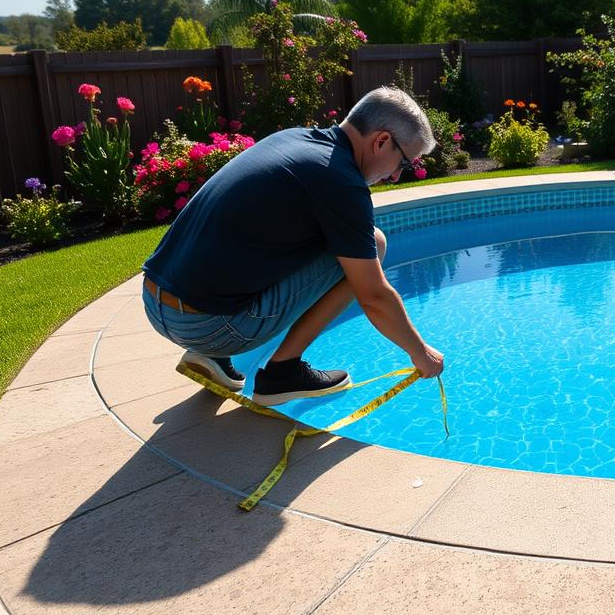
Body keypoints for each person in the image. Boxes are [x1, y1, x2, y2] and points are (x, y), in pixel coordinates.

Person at [141, 86, 445, 405]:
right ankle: (281, 374)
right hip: (205, 325)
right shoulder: (341, 182)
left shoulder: (294, 140)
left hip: (155, 300)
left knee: (344, 242)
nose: (397, 176)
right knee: (373, 244)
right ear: (381, 141)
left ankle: (213, 356)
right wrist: (420, 352)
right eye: (404, 163)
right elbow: (374, 296)